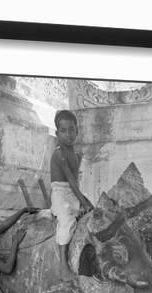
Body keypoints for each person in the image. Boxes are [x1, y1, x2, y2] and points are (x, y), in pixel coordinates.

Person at [50, 110, 94, 281]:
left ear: (77, 131)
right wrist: (82, 201)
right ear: (57, 133)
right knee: (67, 221)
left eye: (72, 130)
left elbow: (75, 184)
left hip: (73, 193)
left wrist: (85, 200)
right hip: (61, 194)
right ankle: (63, 266)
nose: (68, 134)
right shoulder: (59, 154)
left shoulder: (75, 155)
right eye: (63, 130)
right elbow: (69, 179)